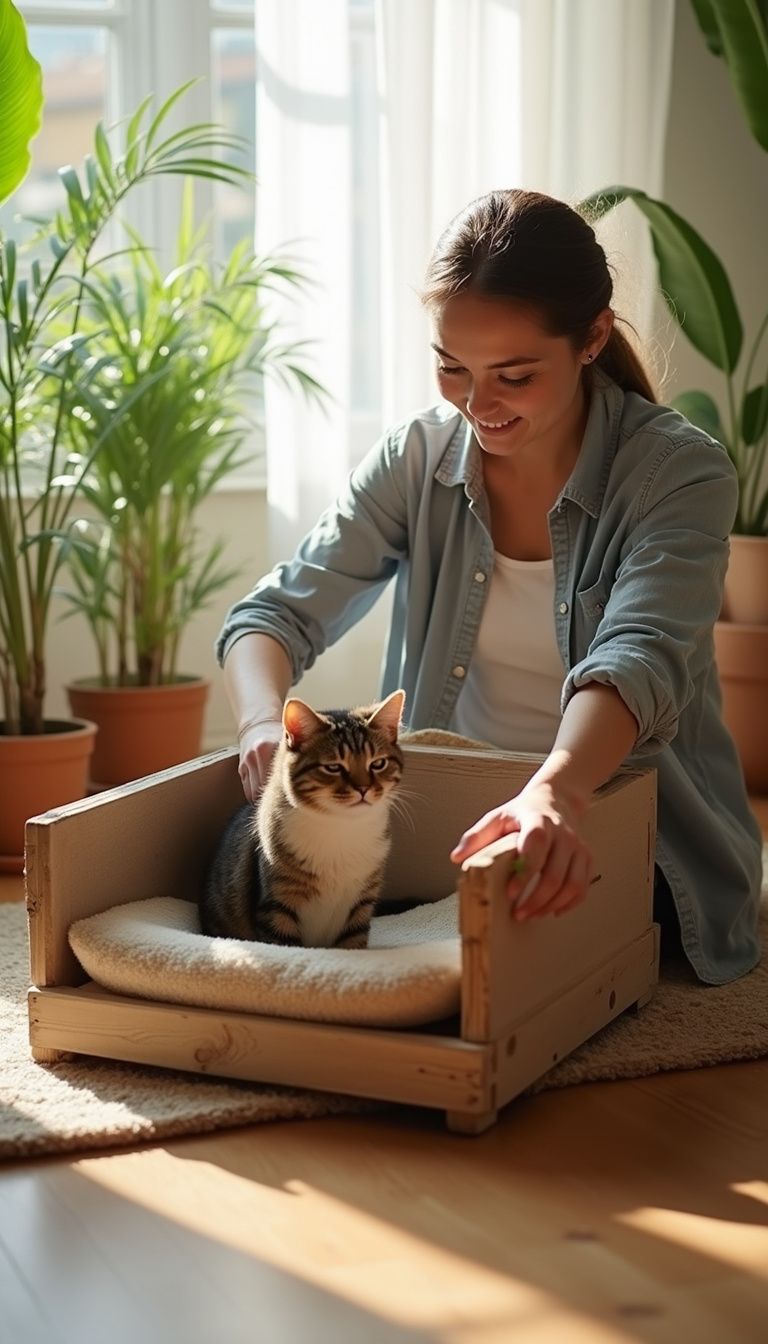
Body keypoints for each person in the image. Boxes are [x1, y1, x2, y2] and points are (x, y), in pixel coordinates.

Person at [216, 187, 762, 986]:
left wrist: (554, 794)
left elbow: (639, 658)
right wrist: (262, 724)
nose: (477, 404)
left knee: (508, 972)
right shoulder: (417, 458)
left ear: (592, 339)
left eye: (512, 374)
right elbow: (274, 613)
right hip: (438, 829)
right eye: (451, 368)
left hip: (610, 823)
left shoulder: (679, 473)